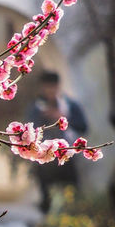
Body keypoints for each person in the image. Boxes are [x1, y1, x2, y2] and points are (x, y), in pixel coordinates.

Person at [27, 70, 89, 213]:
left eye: (52, 86)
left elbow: (83, 127)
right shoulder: (36, 108)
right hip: (43, 159)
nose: (49, 91)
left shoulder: (70, 105)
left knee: (71, 193)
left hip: (67, 156)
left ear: (58, 86)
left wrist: (63, 118)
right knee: (46, 197)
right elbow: (29, 132)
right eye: (46, 87)